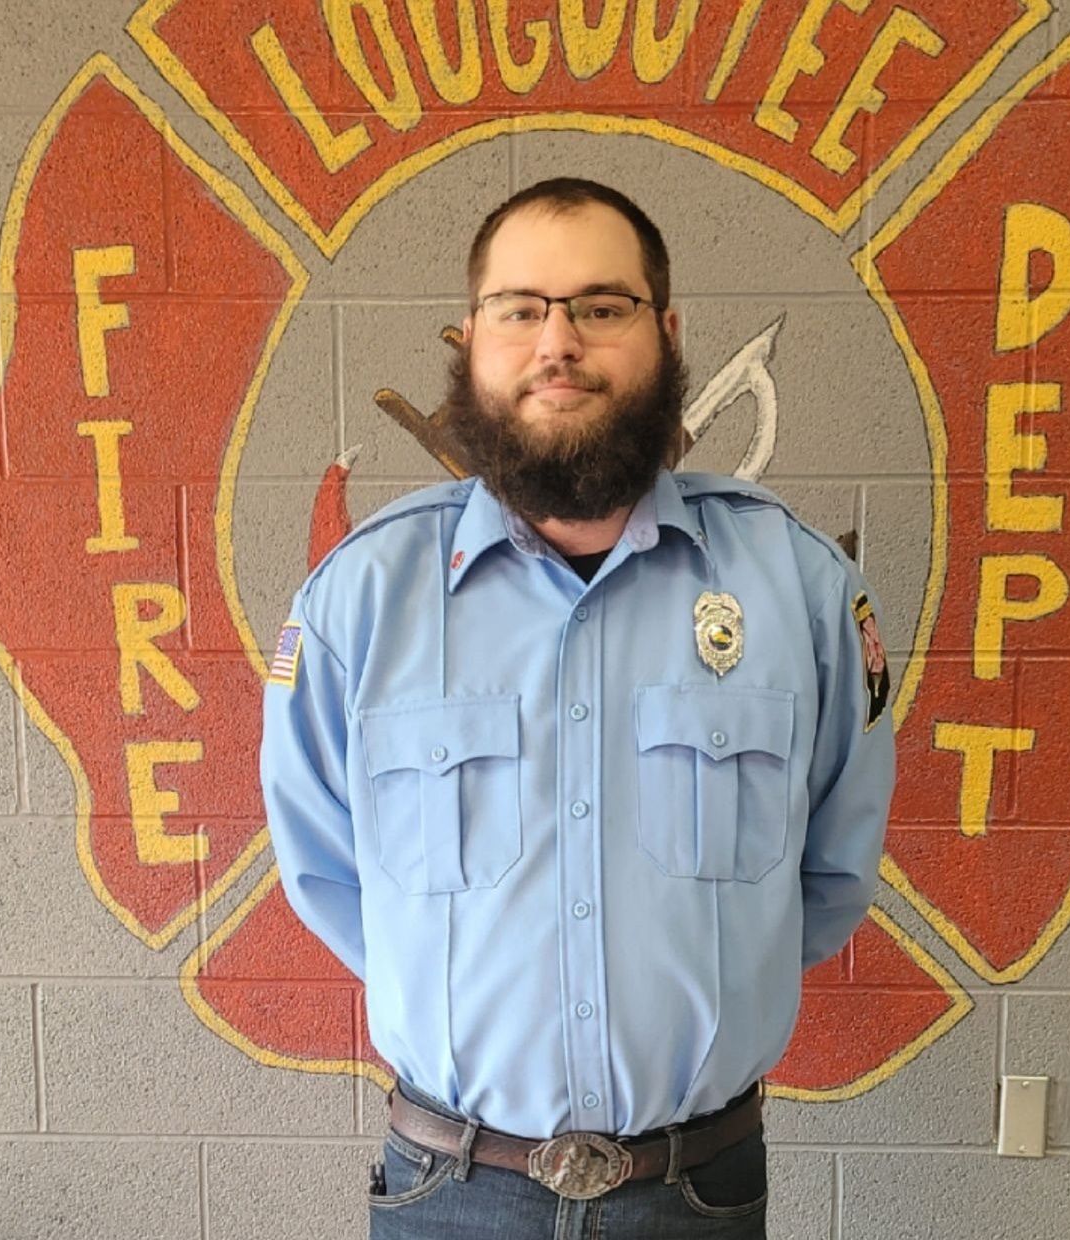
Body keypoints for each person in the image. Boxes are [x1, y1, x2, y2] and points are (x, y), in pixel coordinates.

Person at [259, 178, 895, 1238]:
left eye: (601, 306)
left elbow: (829, 875)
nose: (558, 341)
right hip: (451, 1194)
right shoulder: (359, 602)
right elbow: (327, 873)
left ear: (666, 335)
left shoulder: (798, 590)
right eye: (520, 309)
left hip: (695, 1192)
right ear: (472, 340)